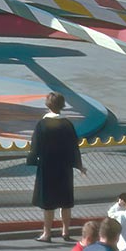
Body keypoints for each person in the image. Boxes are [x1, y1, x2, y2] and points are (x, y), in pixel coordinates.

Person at [26, 92, 85, 242]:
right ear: (62, 105)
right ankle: (65, 231)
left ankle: (47, 233)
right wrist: (79, 165)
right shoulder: (67, 124)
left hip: (47, 167)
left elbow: (35, 147)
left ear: (48, 105)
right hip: (64, 168)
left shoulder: (42, 124)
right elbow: (74, 146)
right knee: (65, 202)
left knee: (48, 203)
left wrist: (32, 160)